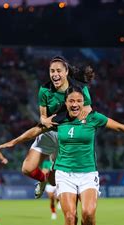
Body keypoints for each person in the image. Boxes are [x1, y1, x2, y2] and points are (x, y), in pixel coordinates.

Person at [0, 86, 124, 225]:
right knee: (70, 216)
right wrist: (13, 142)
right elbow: (35, 131)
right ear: (66, 102)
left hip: (88, 174)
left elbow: (120, 126)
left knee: (88, 214)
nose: (75, 104)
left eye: (78, 101)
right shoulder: (58, 119)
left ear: (84, 102)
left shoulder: (93, 118)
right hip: (64, 173)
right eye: (71, 101)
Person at [22, 56, 94, 198]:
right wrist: (44, 120)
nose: (55, 74)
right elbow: (42, 116)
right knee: (27, 168)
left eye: (58, 71)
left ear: (66, 72)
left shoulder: (80, 89)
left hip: (66, 136)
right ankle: (42, 181)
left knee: (54, 181)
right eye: (52, 71)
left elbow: (88, 110)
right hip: (49, 133)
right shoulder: (44, 90)